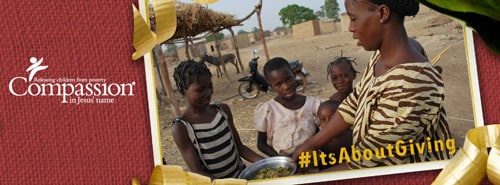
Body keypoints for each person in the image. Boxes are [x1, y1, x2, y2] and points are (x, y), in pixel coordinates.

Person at [292, 0, 453, 169]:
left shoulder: (409, 86)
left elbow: (369, 161)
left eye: (354, 19)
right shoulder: (383, 56)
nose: (350, 28)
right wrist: (311, 145)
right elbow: (354, 102)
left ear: (382, 13)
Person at [171, 60, 263, 179]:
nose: (208, 93)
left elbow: (240, 148)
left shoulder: (222, 111)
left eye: (210, 86)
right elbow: (198, 173)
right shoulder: (182, 128)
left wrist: (265, 163)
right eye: (200, 90)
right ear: (183, 90)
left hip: (241, 177)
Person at [254, 57, 322, 157]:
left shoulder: (313, 104)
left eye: (289, 79)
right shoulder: (269, 110)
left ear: (294, 75)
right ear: (271, 86)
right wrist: (284, 161)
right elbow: (261, 144)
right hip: (286, 164)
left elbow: (320, 132)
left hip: (312, 159)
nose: (286, 86)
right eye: (278, 84)